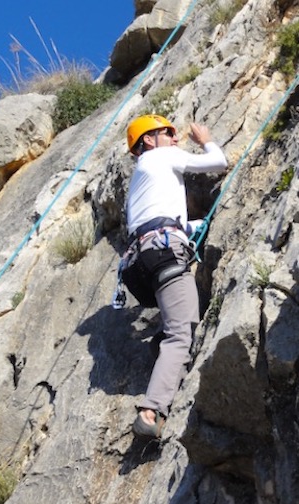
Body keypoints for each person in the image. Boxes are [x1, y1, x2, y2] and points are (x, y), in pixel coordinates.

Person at [125, 114, 227, 440]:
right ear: (148, 141)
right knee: (181, 333)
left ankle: (165, 362)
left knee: (174, 326)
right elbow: (218, 161)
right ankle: (151, 410)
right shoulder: (159, 156)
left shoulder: (140, 181)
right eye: (166, 134)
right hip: (165, 251)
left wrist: (197, 226)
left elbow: (166, 220)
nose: (173, 138)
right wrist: (205, 139)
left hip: (145, 257)